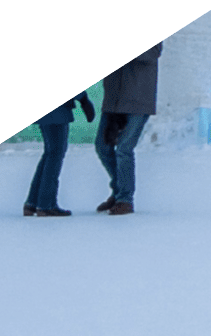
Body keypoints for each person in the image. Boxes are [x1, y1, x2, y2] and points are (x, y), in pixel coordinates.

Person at [92, 42, 160, 216]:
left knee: (124, 148)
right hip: (113, 99)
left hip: (138, 99)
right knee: (102, 146)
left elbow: (152, 53)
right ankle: (119, 189)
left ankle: (125, 199)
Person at [23, 89, 96, 217]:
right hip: (57, 111)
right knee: (55, 154)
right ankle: (46, 205)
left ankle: (32, 202)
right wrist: (83, 98)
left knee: (50, 154)